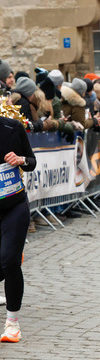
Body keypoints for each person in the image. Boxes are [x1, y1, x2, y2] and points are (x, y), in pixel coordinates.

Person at [1, 112, 37, 342]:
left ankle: (12, 324)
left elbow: (32, 162)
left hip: (13, 205)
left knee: (9, 261)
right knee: (3, 264)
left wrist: (21, 159)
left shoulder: (12, 127)